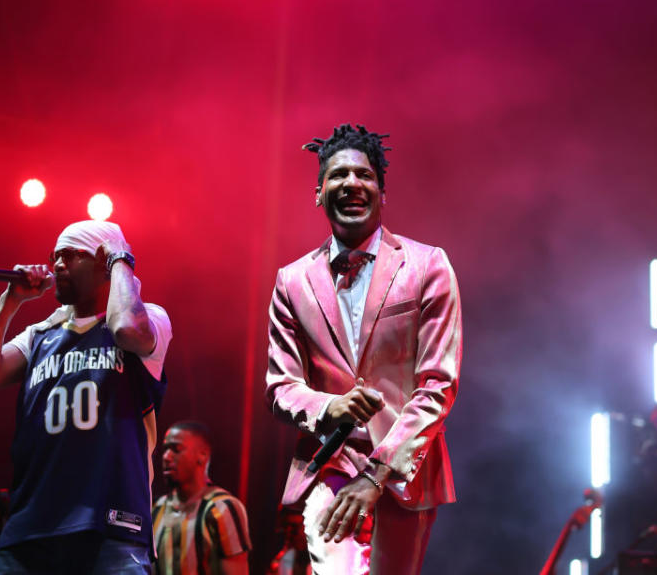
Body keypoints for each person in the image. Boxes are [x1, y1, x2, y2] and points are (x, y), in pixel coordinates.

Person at [265, 124, 462, 575]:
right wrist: (331, 405)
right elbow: (280, 387)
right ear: (319, 192)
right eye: (337, 175)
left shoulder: (428, 265)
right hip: (328, 460)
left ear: (381, 192)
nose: (351, 183)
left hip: (405, 465)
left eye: (364, 175)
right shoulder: (291, 281)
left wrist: (376, 475)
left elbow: (438, 384)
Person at [0, 220, 173, 574]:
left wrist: (121, 261)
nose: (57, 264)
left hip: (111, 529)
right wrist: (10, 301)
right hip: (30, 530)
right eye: (54, 256)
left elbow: (127, 331)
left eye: (71, 255)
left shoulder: (149, 319)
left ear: (103, 263)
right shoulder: (40, 335)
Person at [151, 421, 251, 575]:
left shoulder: (222, 508)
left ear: (202, 455)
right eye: (165, 449)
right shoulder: (155, 508)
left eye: (176, 449)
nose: (166, 456)